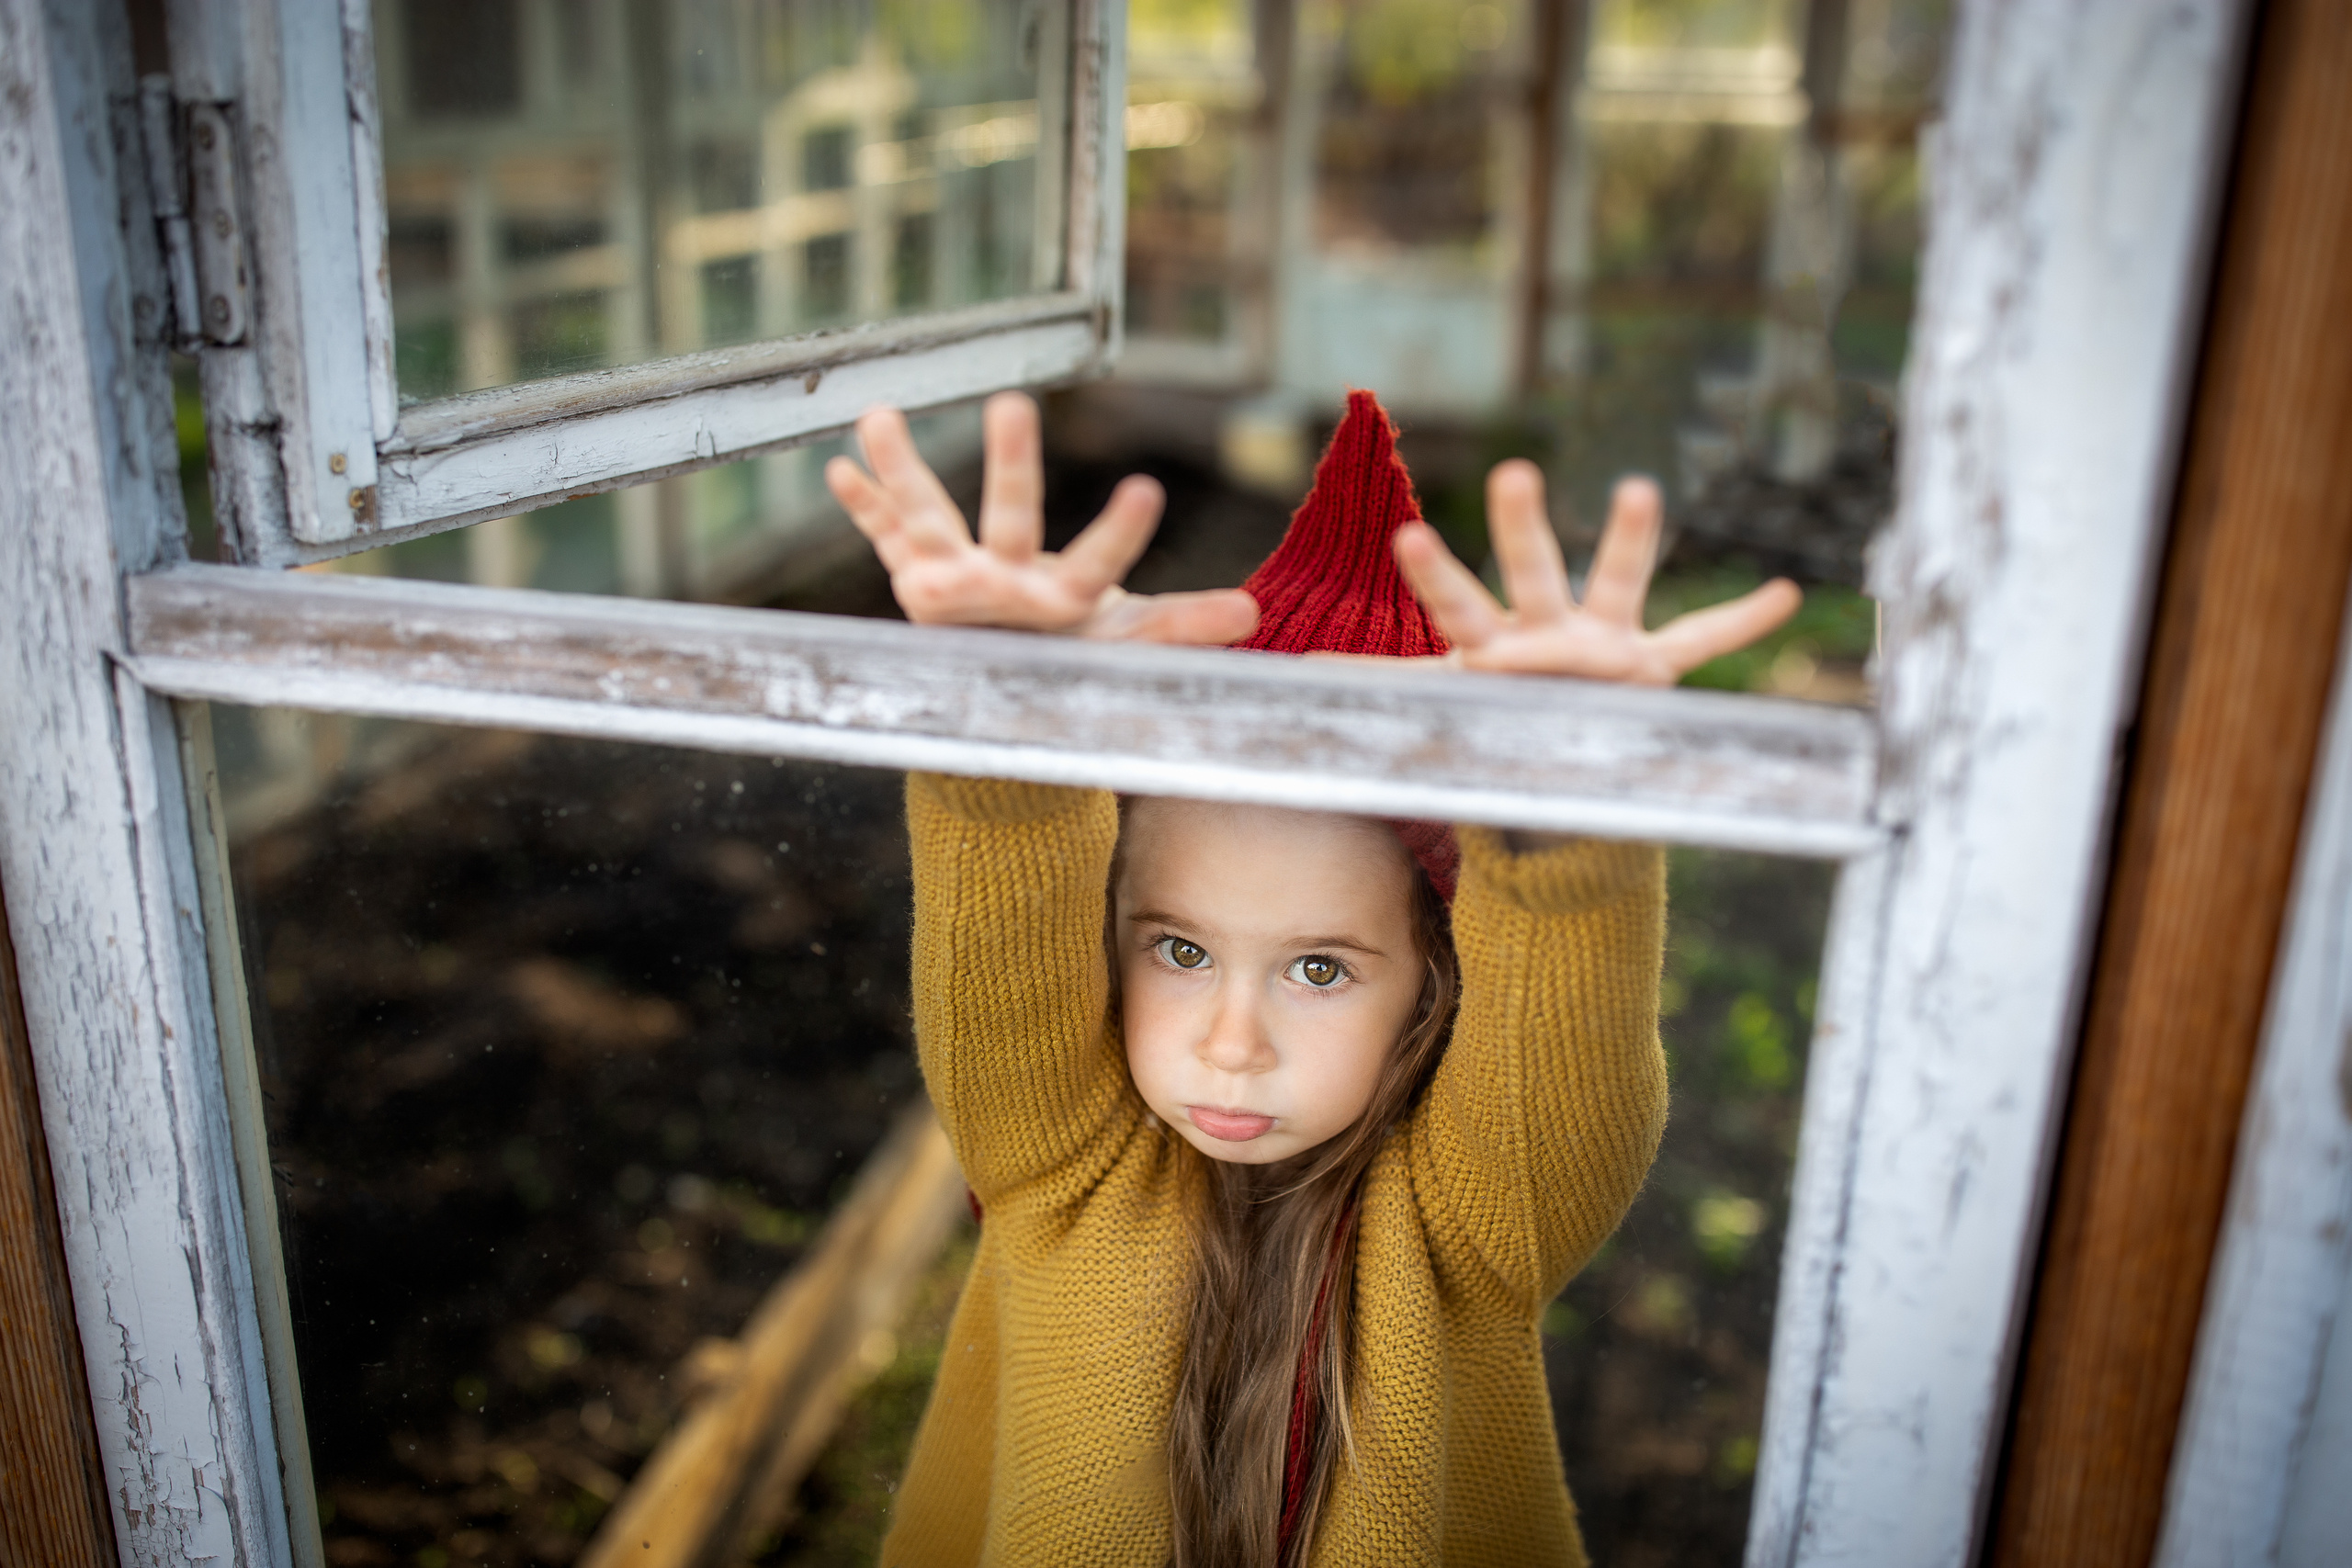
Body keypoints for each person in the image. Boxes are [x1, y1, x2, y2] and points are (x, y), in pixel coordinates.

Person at [822, 389, 1799, 1568]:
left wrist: (1561, 792)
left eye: (1321, 968)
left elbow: (1557, 998)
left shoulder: (1474, 1223)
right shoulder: (1055, 1156)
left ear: (1435, 985)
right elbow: (1006, 875)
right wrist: (1000, 710)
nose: (1233, 1042)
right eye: (1181, 951)